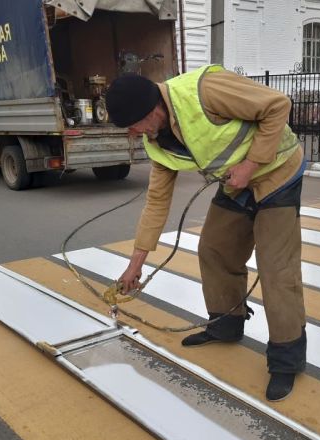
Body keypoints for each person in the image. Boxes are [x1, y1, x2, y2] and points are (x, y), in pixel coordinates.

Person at [105, 65, 307, 401]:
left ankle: (287, 359)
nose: (132, 133)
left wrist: (250, 165)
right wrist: (135, 263)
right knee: (214, 247)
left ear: (153, 110)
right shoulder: (157, 140)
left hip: (277, 172)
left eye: (133, 125)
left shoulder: (205, 90)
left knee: (276, 266)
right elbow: (156, 202)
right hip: (236, 183)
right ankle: (226, 325)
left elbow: (277, 105)